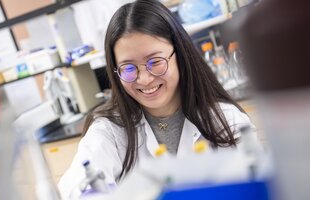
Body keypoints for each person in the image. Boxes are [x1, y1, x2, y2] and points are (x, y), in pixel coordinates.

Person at [58, 0, 258, 199]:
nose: (144, 79)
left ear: (179, 54)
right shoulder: (109, 132)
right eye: (128, 68)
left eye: (155, 62)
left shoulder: (225, 119)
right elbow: (75, 187)